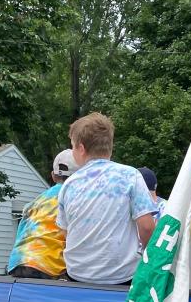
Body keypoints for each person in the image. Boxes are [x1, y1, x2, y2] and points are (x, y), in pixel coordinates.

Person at [57, 113, 157, 284]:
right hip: (122, 277)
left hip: (77, 277)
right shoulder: (130, 175)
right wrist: (149, 261)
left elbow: (65, 233)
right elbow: (147, 227)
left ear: (81, 148)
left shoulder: (69, 184)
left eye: (72, 147)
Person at [6, 149, 72, 280]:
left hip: (18, 262)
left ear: (53, 176)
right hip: (47, 264)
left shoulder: (36, 201)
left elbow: (21, 232)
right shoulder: (73, 197)